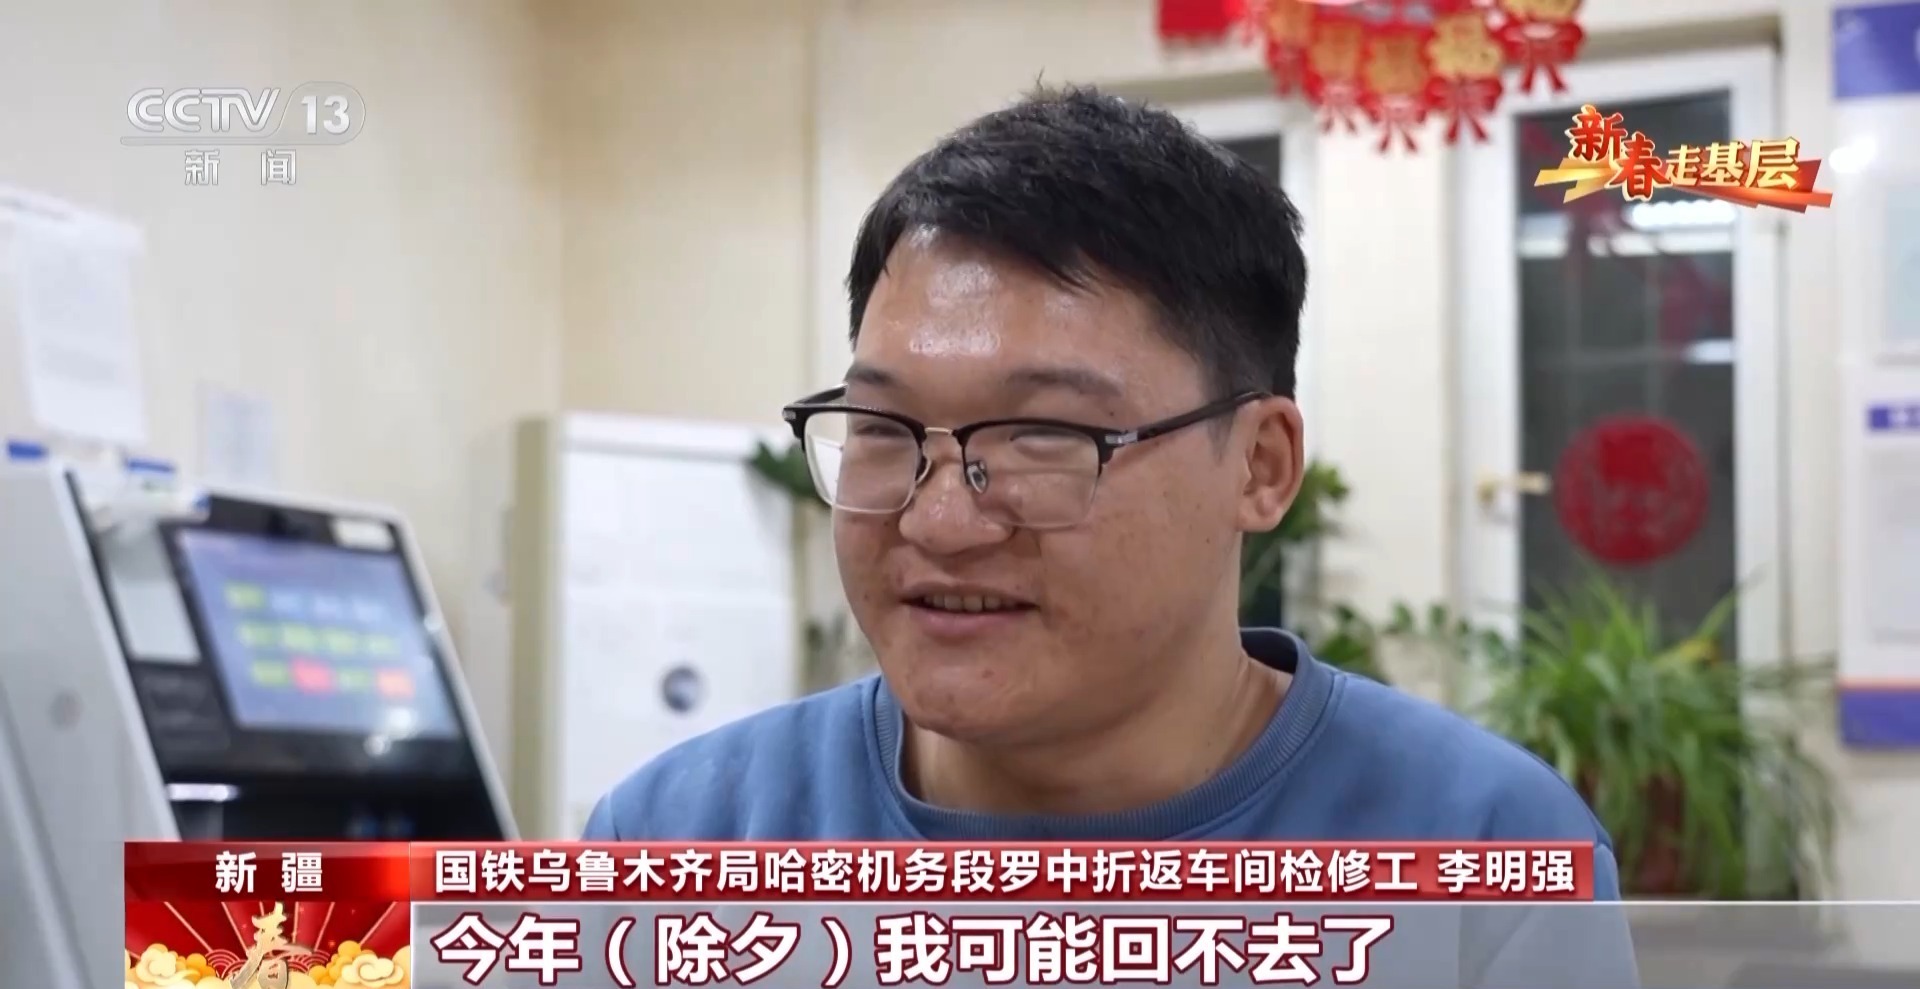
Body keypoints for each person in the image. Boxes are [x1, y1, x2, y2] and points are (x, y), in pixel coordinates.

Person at [586, 86, 1634, 987]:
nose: (939, 518)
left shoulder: (1483, 854)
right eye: (882, 428)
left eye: (1044, 436)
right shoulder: (681, 843)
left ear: (1260, 465)